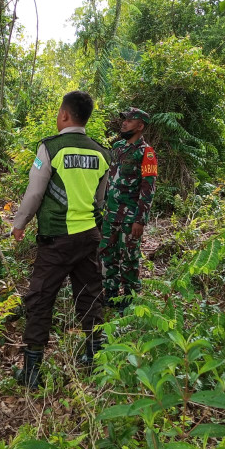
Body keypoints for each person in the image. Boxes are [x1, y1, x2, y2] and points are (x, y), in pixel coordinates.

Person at [11, 91, 110, 388]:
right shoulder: (102, 153)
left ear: (65, 115)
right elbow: (100, 199)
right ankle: (94, 360)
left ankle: (32, 371)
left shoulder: (50, 148)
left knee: (40, 298)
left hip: (56, 238)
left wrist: (19, 224)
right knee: (90, 295)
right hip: (89, 237)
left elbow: (35, 193)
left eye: (58, 112)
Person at [100, 107, 157, 312]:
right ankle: (111, 294)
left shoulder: (147, 153)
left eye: (129, 121)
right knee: (107, 253)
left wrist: (140, 219)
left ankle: (130, 297)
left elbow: (148, 187)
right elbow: (109, 181)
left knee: (129, 257)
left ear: (140, 126)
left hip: (130, 216)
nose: (123, 123)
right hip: (111, 213)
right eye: (123, 120)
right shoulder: (117, 147)